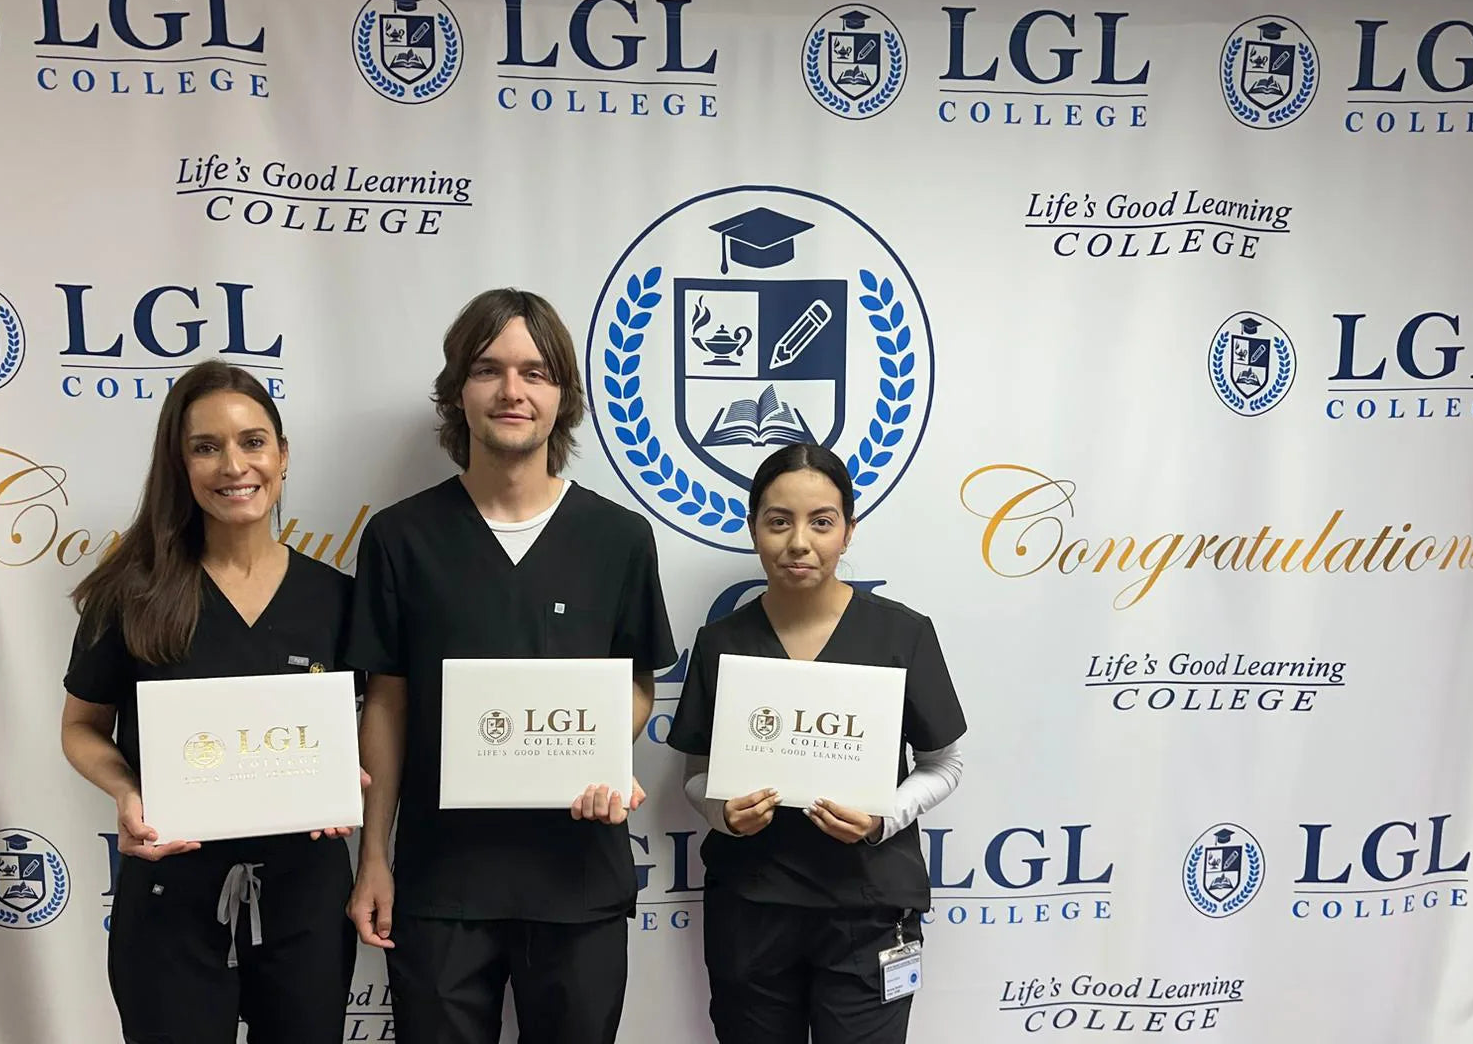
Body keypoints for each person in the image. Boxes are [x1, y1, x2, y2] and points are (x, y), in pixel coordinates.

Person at [345, 287, 676, 1044]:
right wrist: (374, 855)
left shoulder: (618, 538)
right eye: (489, 369)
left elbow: (636, 686)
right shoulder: (401, 538)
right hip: (442, 882)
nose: (512, 390)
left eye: (534, 371)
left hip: (577, 881)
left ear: (563, 395)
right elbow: (386, 703)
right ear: (457, 391)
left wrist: (601, 753)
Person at [60, 360, 360, 1044]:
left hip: (306, 901)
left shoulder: (336, 599)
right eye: (206, 446)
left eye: (253, 441)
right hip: (171, 903)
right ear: (180, 463)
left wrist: (350, 776)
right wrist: (126, 791)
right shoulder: (131, 595)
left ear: (283, 456)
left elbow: (371, 719)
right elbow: (80, 728)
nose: (234, 465)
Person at [668, 442, 968, 1043]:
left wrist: (885, 815)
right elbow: (695, 775)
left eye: (821, 522)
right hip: (751, 911)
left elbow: (944, 764)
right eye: (778, 521)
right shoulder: (720, 642)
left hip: (870, 913)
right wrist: (721, 815)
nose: (798, 542)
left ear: (848, 532)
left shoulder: (902, 634)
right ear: (754, 528)